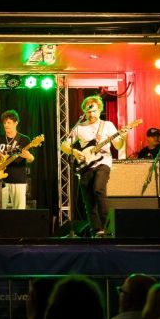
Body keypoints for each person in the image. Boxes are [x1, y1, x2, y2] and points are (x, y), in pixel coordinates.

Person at [60, 95, 125, 237]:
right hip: (85, 165)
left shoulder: (107, 125)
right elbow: (64, 146)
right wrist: (75, 152)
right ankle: (96, 230)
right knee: (88, 200)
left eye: (94, 111)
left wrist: (123, 137)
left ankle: (107, 227)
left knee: (98, 189)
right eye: (89, 111)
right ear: (84, 111)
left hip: (103, 162)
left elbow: (118, 145)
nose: (91, 114)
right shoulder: (79, 127)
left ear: (99, 110)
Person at [0, 110, 35, 210]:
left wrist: (28, 156)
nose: (6, 125)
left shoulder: (24, 139)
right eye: (4, 123)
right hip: (0, 180)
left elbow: (31, 159)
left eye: (9, 122)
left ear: (16, 123)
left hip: (18, 179)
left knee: (19, 210)